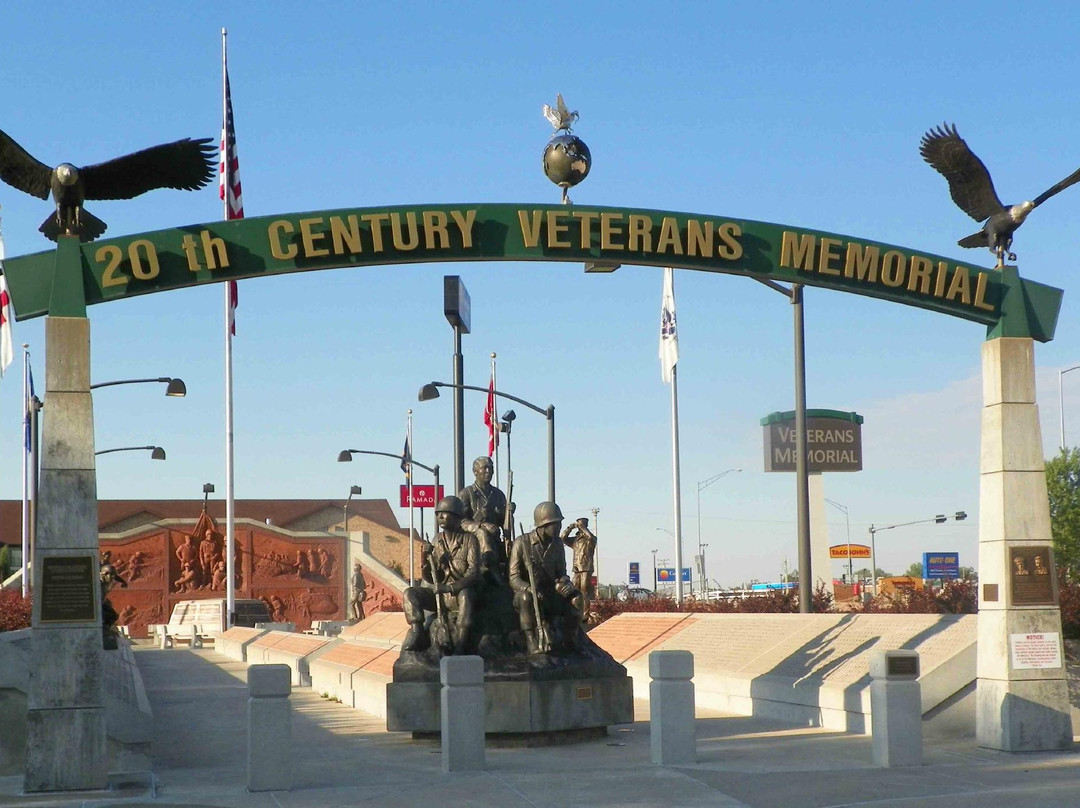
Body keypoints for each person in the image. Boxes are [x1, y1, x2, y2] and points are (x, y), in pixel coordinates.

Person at [401, 496, 481, 655]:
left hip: (459, 595)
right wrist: (426, 561)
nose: (440, 518)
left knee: (466, 595)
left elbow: (474, 573)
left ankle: (462, 641)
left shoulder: (469, 540)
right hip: (439, 596)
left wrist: (450, 587)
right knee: (410, 593)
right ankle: (417, 632)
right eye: (438, 514)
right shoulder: (437, 540)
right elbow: (432, 577)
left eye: (445, 514)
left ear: (457, 517)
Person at [509, 501, 582, 655]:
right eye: (556, 524)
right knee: (525, 597)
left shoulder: (557, 544)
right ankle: (531, 641)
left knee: (576, 597)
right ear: (544, 525)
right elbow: (513, 577)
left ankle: (571, 640)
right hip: (527, 595)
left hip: (550, 593)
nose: (559, 528)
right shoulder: (522, 543)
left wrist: (564, 582)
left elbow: (561, 572)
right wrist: (529, 589)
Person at [458, 456, 508, 568]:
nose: (488, 471)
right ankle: (488, 564)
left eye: (490, 468)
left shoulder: (498, 495)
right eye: (484, 468)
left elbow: (504, 523)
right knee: (482, 533)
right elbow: (461, 522)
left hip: (495, 539)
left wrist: (508, 513)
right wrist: (481, 525)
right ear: (475, 472)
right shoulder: (466, 494)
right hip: (472, 540)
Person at [562, 517, 597, 622]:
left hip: (586, 568)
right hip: (577, 568)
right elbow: (563, 538)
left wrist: (583, 528)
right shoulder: (576, 540)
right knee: (574, 590)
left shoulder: (590, 539)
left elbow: (591, 537)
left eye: (580, 524)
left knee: (584, 591)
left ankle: (585, 615)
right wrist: (570, 528)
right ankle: (574, 612)